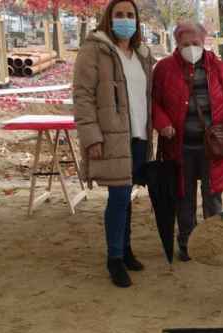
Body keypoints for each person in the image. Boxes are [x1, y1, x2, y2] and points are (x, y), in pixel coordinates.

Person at [73, 0, 154, 288]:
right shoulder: (94, 50)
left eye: (130, 15)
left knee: (128, 194)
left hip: (138, 135)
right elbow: (82, 96)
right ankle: (114, 258)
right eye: (119, 14)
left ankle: (126, 248)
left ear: (137, 20)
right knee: (118, 197)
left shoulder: (141, 55)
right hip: (111, 135)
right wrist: (91, 136)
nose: (125, 20)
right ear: (109, 18)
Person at [152, 22, 223, 262]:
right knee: (184, 198)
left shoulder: (219, 68)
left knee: (213, 196)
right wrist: (162, 122)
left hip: (212, 148)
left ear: (204, 42)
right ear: (177, 44)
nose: (191, 48)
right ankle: (186, 244)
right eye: (186, 44)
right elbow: (153, 102)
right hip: (179, 146)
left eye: (195, 43)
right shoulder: (164, 69)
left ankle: (212, 242)